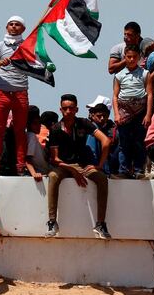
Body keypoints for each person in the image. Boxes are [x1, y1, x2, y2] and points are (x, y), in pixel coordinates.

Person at [46, 94, 110, 239]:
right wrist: (72, 169)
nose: (68, 111)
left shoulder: (83, 123)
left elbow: (105, 141)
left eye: (71, 108)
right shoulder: (55, 128)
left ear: (76, 109)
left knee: (102, 178)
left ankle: (100, 224)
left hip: (82, 165)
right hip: (63, 165)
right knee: (53, 176)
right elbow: (55, 159)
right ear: (60, 110)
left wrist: (99, 165)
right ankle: (52, 222)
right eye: (65, 108)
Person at [0, 15, 30, 176]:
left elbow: (37, 62)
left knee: (20, 130)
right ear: (6, 27)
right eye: (10, 24)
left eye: (17, 24)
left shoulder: (27, 45)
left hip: (20, 92)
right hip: (3, 92)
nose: (13, 27)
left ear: (23, 29)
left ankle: (20, 166)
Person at [112, 44, 153, 178]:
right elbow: (115, 96)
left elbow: (150, 94)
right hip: (124, 112)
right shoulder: (119, 75)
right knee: (124, 143)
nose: (131, 59)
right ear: (125, 57)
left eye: (134, 57)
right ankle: (123, 170)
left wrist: (148, 114)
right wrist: (117, 114)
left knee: (139, 142)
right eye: (128, 57)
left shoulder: (145, 73)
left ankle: (138, 170)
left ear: (139, 58)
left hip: (140, 112)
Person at [86, 103, 118, 176]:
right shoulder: (92, 129)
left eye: (104, 116)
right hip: (95, 168)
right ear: (93, 115)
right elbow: (91, 151)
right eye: (99, 116)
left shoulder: (107, 129)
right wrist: (96, 166)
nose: (102, 118)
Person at [25, 106, 50, 180]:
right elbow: (27, 159)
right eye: (35, 123)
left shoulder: (30, 136)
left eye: (39, 123)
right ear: (28, 124)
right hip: (40, 172)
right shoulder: (31, 136)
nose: (39, 126)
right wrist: (34, 173)